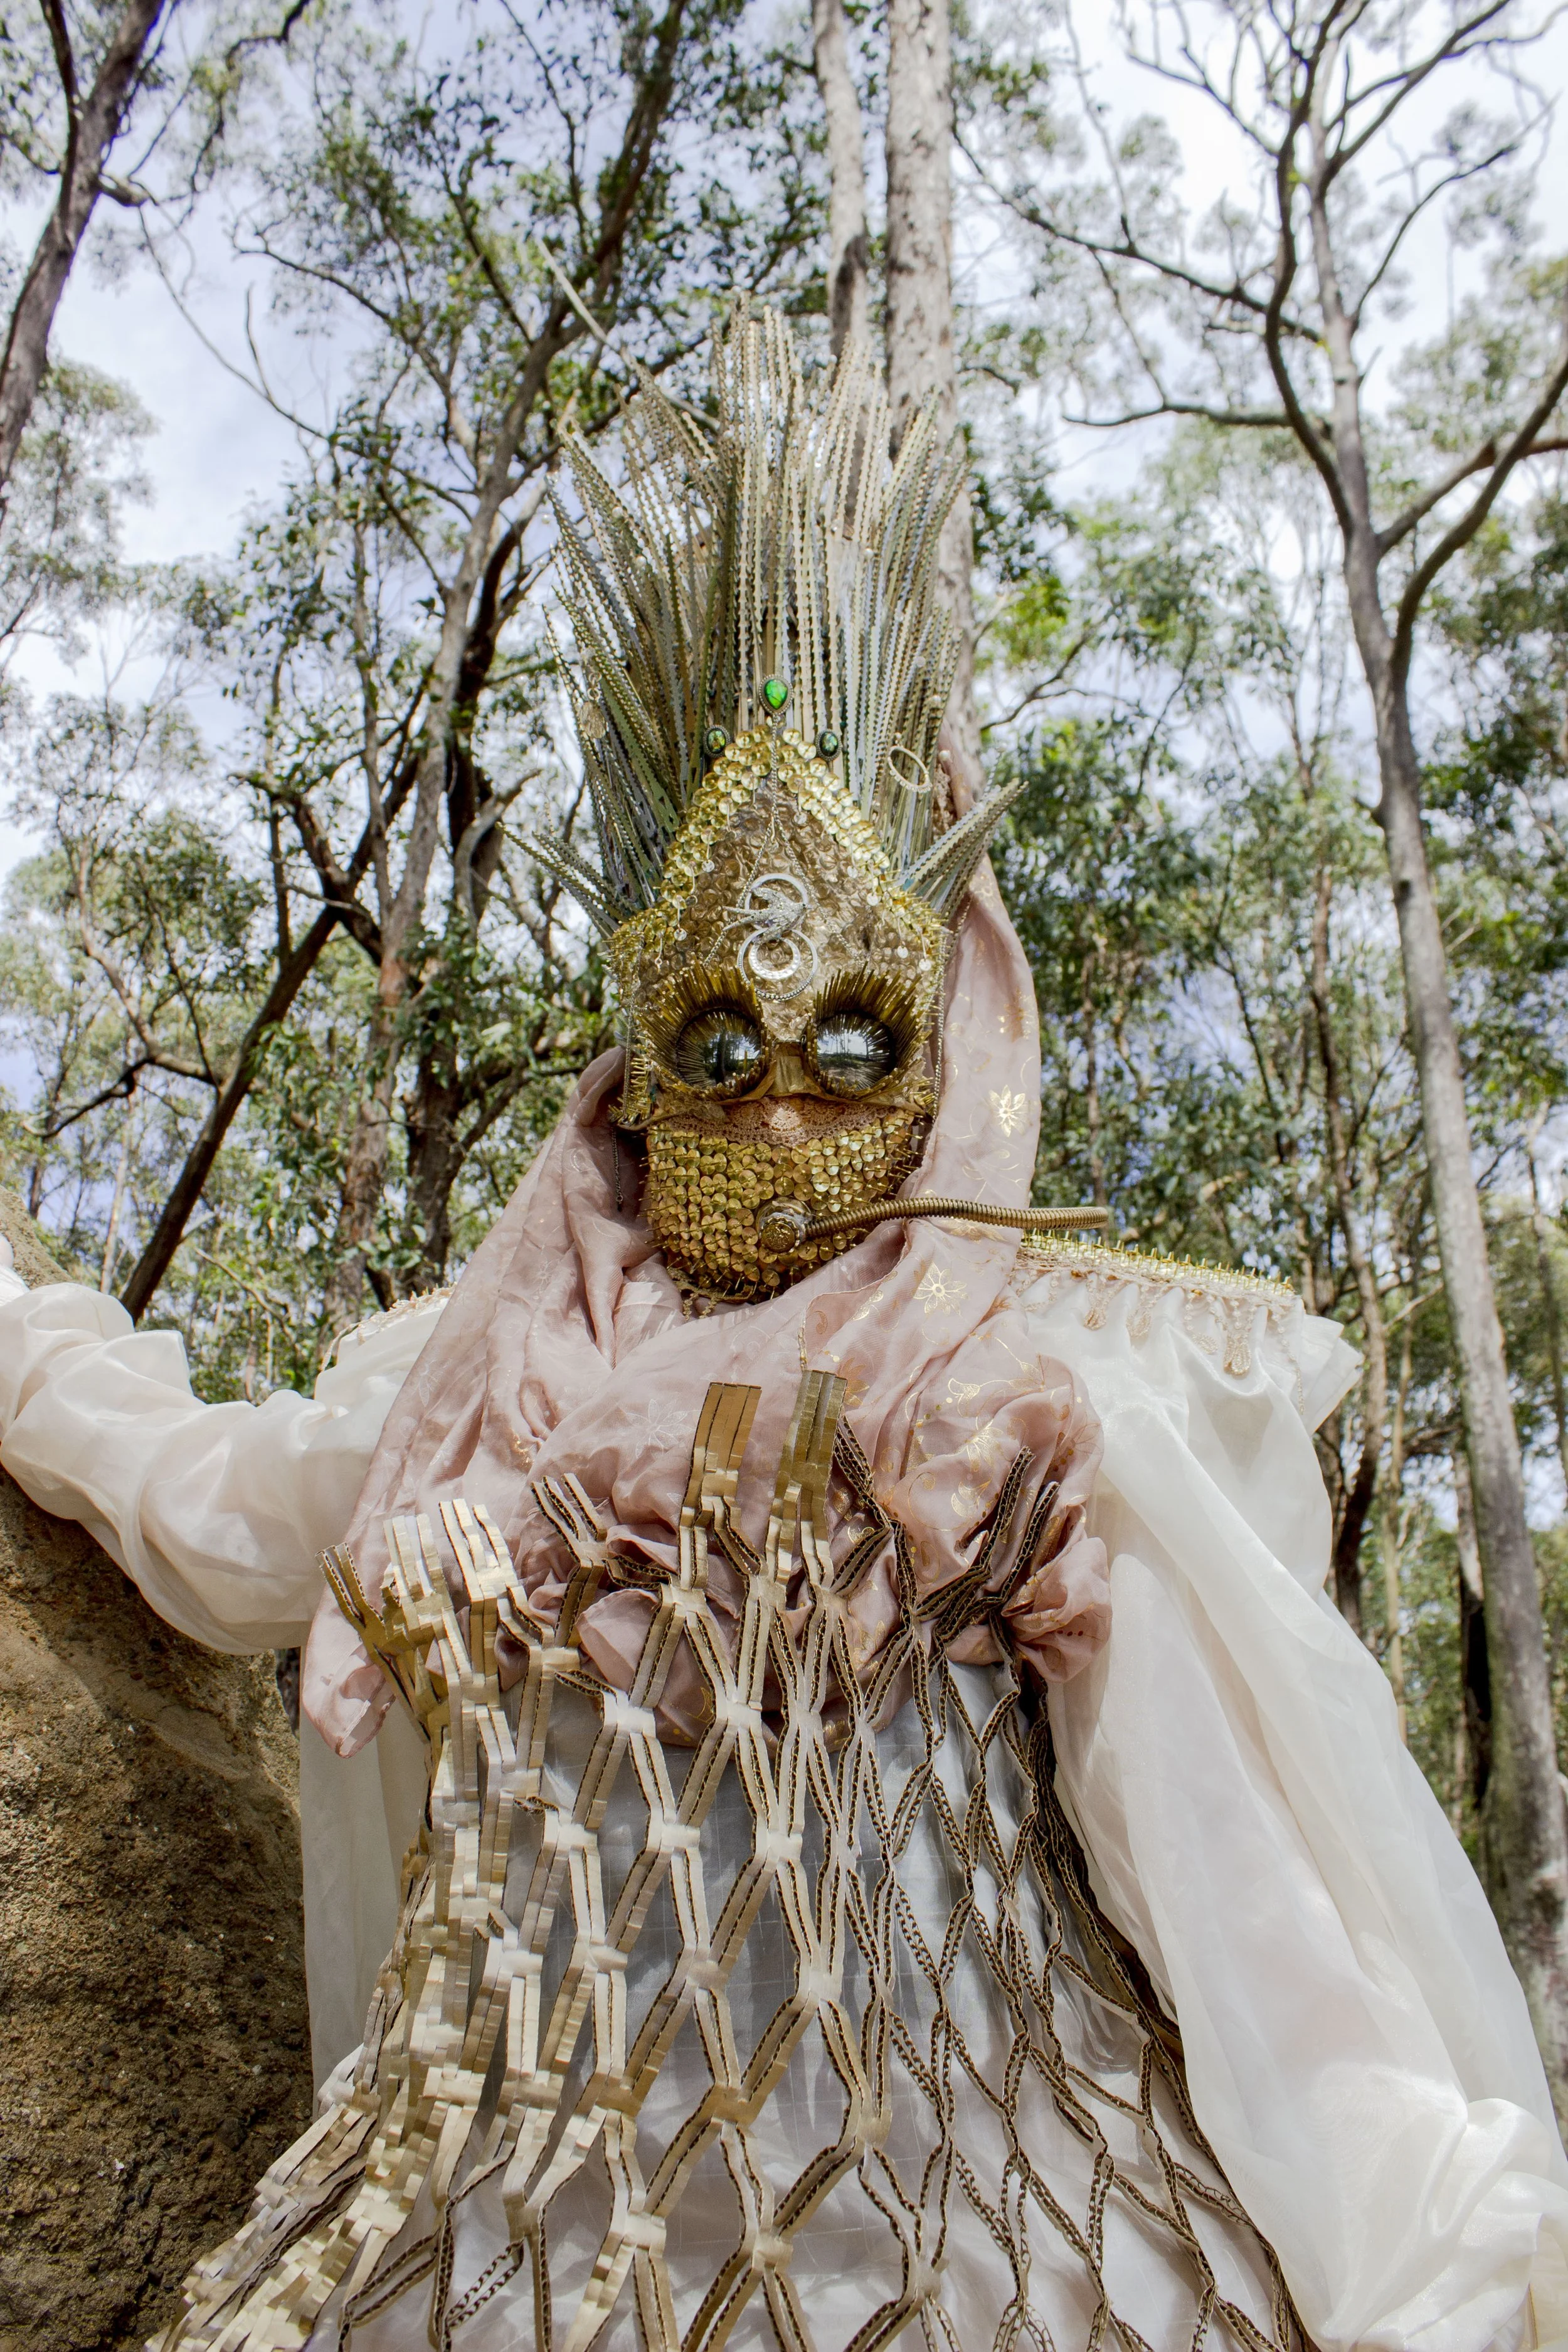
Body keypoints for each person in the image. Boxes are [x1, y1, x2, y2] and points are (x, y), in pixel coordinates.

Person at [2, 306, 1565, 2352]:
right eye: (719, 1045)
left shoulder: (1026, 1403)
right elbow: (210, 1515)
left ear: (941, 1036)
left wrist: (1412, 2280)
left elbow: (1249, 1918)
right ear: (635, 1061)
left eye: (849, 1037)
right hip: (528, 2271)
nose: (786, 1113)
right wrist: (28, 1336)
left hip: (1014, 2259)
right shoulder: (466, 1392)